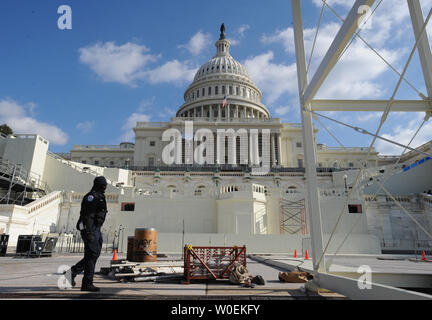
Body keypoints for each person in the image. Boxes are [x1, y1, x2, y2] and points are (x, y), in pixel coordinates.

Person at [66, 176, 108, 292]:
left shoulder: (99, 196)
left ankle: (72, 273)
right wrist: (88, 231)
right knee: (92, 254)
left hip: (96, 228)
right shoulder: (91, 197)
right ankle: (87, 283)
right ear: (100, 185)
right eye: (104, 185)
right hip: (91, 229)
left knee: (93, 254)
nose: (105, 187)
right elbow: (87, 215)